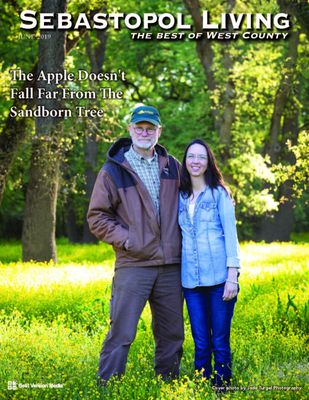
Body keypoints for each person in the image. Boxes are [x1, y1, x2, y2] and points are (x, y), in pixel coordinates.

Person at [87, 105, 184, 384]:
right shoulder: (113, 171)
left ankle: (169, 383)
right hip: (133, 264)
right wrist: (127, 240)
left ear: (158, 131)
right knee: (122, 331)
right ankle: (108, 386)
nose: (145, 132)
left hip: (170, 266)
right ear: (130, 130)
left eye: (150, 128)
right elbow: (97, 216)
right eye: (139, 127)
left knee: (172, 332)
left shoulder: (173, 166)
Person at [178, 138, 240, 388]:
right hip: (191, 282)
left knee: (220, 340)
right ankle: (201, 384)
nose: (195, 161)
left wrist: (232, 276)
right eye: (191, 156)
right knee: (201, 340)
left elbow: (231, 235)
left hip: (219, 280)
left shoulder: (219, 194)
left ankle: (223, 385)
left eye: (201, 157)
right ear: (185, 161)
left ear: (208, 162)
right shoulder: (179, 196)